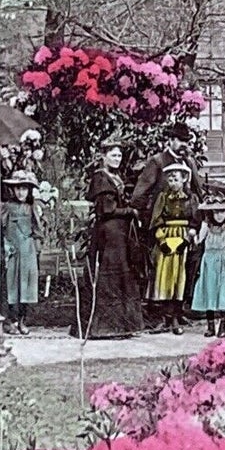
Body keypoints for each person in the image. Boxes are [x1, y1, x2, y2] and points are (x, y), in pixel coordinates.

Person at [71, 140, 144, 339]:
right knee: (109, 275)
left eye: (119, 155)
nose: (117, 159)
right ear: (103, 156)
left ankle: (120, 326)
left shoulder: (114, 176)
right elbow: (107, 210)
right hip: (109, 232)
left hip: (118, 233)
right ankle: (104, 327)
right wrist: (130, 211)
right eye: (113, 155)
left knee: (121, 274)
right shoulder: (101, 178)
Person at [145, 161, 198, 334]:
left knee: (179, 277)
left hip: (183, 238)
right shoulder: (163, 197)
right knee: (164, 277)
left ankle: (176, 315)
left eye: (176, 179)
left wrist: (187, 239)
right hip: (167, 237)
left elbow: (195, 221)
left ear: (184, 179)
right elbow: (156, 220)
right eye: (170, 180)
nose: (173, 183)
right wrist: (162, 241)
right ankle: (164, 317)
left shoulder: (191, 199)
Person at [131, 121, 204, 226]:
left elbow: (198, 190)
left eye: (186, 141)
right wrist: (145, 215)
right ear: (171, 140)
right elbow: (140, 192)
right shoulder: (158, 161)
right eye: (180, 140)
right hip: (163, 218)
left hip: (187, 218)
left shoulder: (189, 162)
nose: (184, 144)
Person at [191, 195, 225, 336]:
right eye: (215, 212)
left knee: (223, 293)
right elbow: (198, 241)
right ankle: (210, 326)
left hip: (224, 263)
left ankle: (223, 326)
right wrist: (194, 232)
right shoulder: (207, 226)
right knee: (209, 293)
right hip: (209, 263)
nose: (219, 215)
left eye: (222, 212)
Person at [1, 169, 41, 335]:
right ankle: (11, 321)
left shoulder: (32, 207)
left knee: (26, 287)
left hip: (28, 251)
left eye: (24, 188)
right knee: (12, 285)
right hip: (13, 251)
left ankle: (23, 320)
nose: (21, 192)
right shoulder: (7, 207)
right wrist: (6, 246)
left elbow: (37, 230)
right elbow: (1, 229)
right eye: (18, 188)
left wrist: (37, 247)